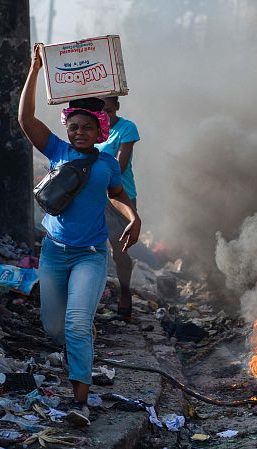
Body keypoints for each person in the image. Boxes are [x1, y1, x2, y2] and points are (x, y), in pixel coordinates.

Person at [18, 43, 141, 427]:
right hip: (54, 253)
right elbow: (25, 118)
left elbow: (117, 195)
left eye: (88, 127)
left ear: (99, 130)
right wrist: (35, 69)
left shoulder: (106, 163)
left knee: (74, 323)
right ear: (67, 129)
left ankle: (80, 401)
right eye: (74, 127)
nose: (80, 132)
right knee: (54, 328)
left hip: (90, 254)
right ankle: (80, 340)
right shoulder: (56, 151)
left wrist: (133, 217)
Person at [96, 96, 141, 321]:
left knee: (118, 250)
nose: (105, 116)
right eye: (100, 111)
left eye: (109, 111)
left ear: (116, 107)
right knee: (89, 247)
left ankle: (125, 292)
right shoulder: (89, 126)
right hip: (93, 195)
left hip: (120, 197)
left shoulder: (126, 128)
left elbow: (119, 166)